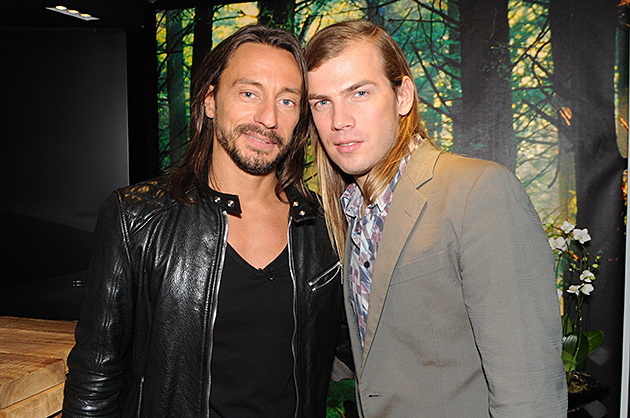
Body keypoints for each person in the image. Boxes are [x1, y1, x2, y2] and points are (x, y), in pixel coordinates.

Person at [63, 24, 349, 417]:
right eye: (249, 93)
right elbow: (95, 378)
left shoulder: (325, 225)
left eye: (287, 101)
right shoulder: (136, 218)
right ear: (210, 100)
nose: (268, 118)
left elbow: (368, 350)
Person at [305, 20, 567, 417]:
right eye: (322, 102)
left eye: (359, 93)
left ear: (403, 96)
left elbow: (529, 392)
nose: (339, 120)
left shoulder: (478, 191)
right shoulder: (350, 214)